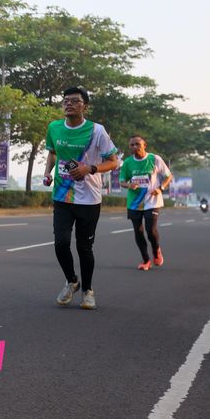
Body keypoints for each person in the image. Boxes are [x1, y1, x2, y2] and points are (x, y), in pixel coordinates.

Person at [43, 87, 119, 310]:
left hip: (89, 199)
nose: (69, 104)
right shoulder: (54, 127)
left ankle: (88, 291)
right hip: (62, 196)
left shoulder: (97, 131)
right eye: (66, 100)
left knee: (84, 248)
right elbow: (53, 153)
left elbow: (113, 161)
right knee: (61, 243)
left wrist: (90, 168)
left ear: (84, 106)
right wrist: (47, 172)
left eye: (74, 101)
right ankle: (71, 281)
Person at [119, 135, 172, 270]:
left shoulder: (154, 159)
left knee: (150, 230)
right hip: (134, 203)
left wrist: (161, 188)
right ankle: (146, 260)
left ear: (144, 145)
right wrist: (129, 185)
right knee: (138, 232)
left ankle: (156, 250)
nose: (134, 147)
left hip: (152, 201)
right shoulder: (127, 162)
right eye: (132, 145)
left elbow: (168, 176)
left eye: (137, 144)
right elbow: (122, 181)